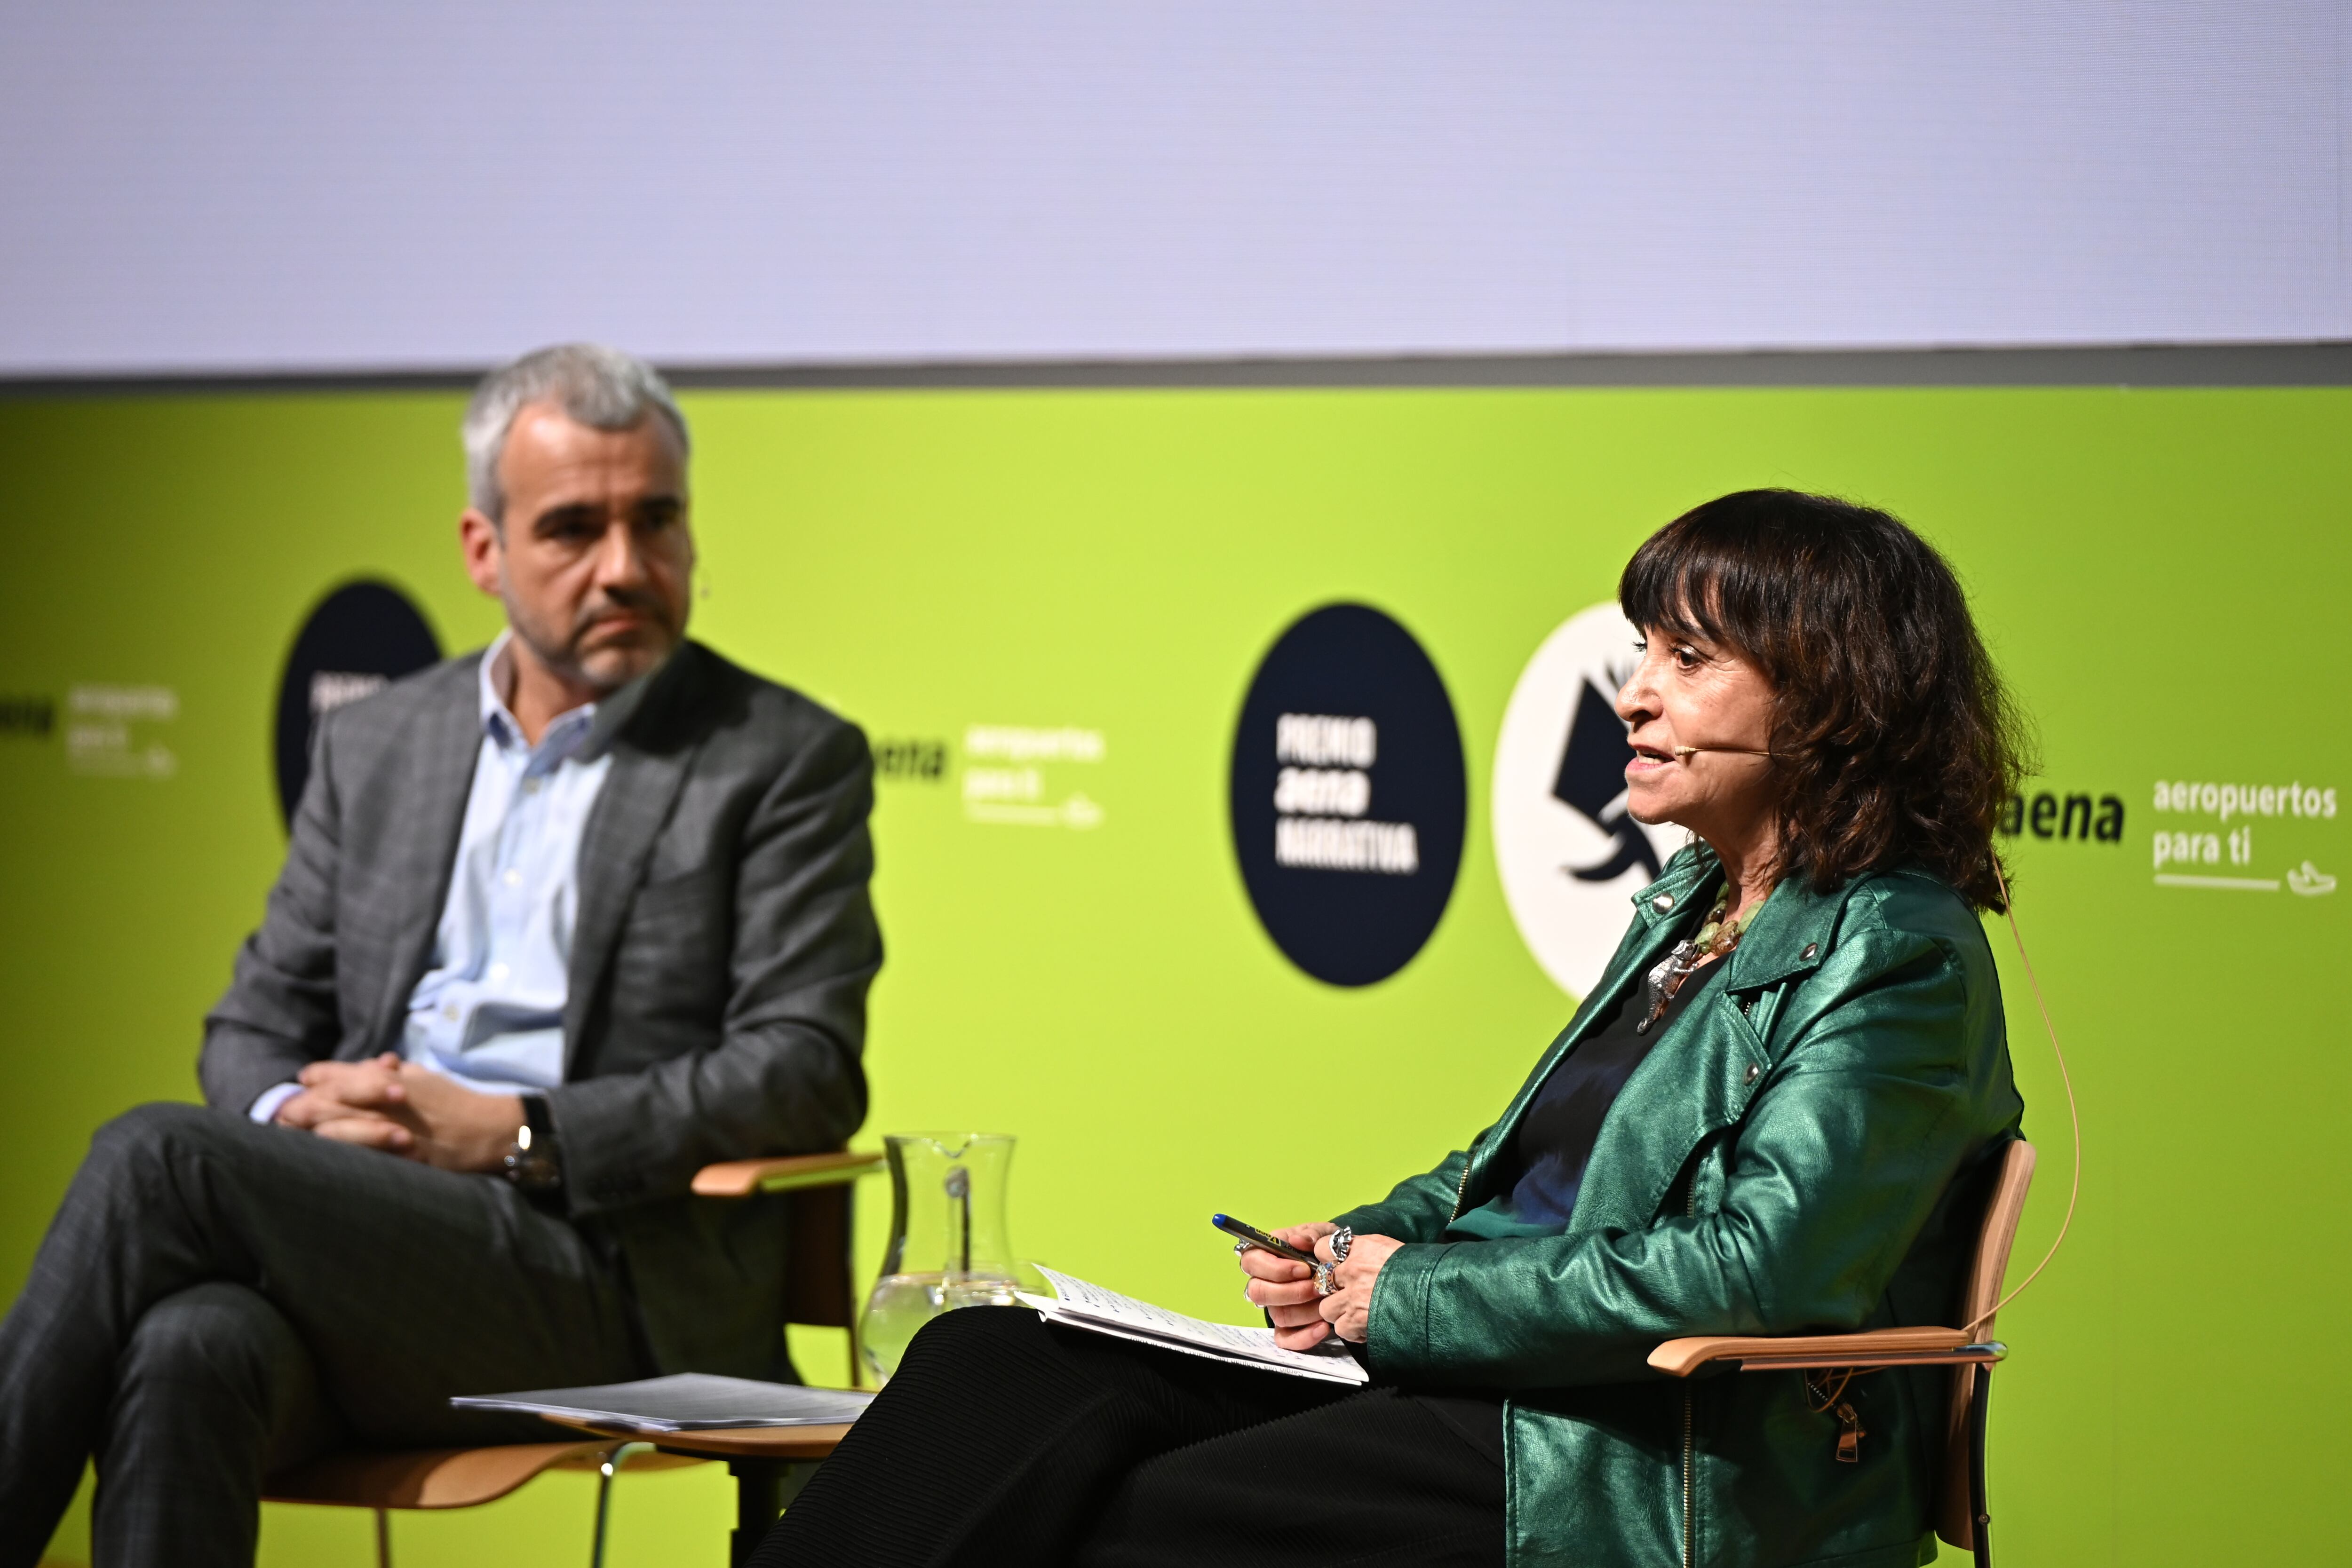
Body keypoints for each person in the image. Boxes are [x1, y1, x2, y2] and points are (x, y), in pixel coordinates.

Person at [751, 489, 2027, 1568]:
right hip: (1497, 1368)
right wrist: (1368, 1242)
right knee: (995, 1362)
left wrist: (1409, 1295)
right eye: (1643, 652)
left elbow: (1759, 1275)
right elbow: (1520, 1174)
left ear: (1835, 700)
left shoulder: (1898, 951)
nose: (1634, 697)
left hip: (1649, 1452)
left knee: (1133, 1511)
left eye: (1688, 663)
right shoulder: (1694, 902)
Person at [0, 344, 882, 1568]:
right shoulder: (381, 744)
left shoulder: (779, 756)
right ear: (484, 550)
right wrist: (296, 1115)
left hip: (604, 1276)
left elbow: (803, 1067)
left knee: (156, 1159)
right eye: (574, 529)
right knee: (189, 1346)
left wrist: (520, 1131)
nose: (626, 567)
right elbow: (251, 1024)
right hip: (371, 1243)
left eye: (656, 521)